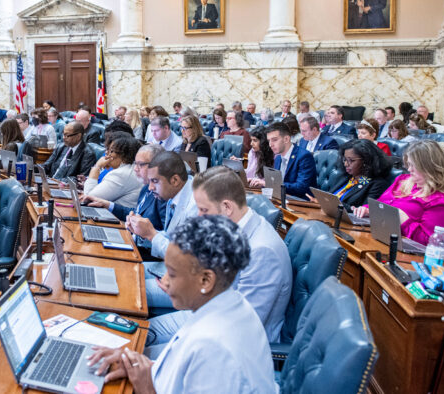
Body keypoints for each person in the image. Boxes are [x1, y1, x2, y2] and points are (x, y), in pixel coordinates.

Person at [86, 215, 277, 393]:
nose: (164, 281)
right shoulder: (228, 306)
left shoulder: (215, 348)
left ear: (205, 280)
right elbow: (183, 375)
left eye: (172, 273)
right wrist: (138, 365)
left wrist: (147, 388)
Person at [148, 167, 291, 345]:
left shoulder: (262, 251)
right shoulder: (234, 226)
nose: (199, 217)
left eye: (204, 210)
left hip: (228, 340)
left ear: (226, 207)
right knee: (142, 330)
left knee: (144, 338)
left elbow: (243, 323)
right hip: (211, 314)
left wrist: (187, 293)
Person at [353, 140, 444, 244]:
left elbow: (427, 241)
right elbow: (381, 202)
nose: (409, 169)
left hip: (399, 249)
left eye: (413, 166)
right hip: (378, 234)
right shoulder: (402, 180)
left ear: (429, 167)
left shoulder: (443, 202)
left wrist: (402, 218)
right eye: (408, 164)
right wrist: (367, 209)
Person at [83, 143, 167, 238]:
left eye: (141, 164)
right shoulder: (146, 187)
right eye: (135, 163)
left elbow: (167, 240)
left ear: (158, 165)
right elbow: (137, 213)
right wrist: (108, 205)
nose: (135, 169)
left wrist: (149, 234)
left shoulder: (165, 194)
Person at [127, 151, 198, 263]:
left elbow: (183, 258)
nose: (150, 188)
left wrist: (151, 234)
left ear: (175, 180)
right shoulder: (177, 194)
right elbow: (170, 239)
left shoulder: (195, 206)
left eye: (155, 181)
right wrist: (142, 233)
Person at [312, 139, 393, 209]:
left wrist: (328, 204)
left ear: (366, 161)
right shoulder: (346, 176)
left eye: (351, 160)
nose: (346, 164)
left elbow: (363, 212)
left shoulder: (377, 185)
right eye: (344, 160)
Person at [83, 135, 143, 208]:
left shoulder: (121, 174)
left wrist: (97, 167)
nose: (107, 153)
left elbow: (87, 199)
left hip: (117, 218)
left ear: (123, 155)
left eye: (111, 151)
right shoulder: (129, 169)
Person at [267, 122, 317, 198]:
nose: (270, 144)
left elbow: (301, 187)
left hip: (301, 202)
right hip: (282, 198)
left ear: (286, 139)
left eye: (274, 140)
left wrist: (271, 184)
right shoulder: (277, 158)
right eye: (269, 141)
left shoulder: (304, 156)